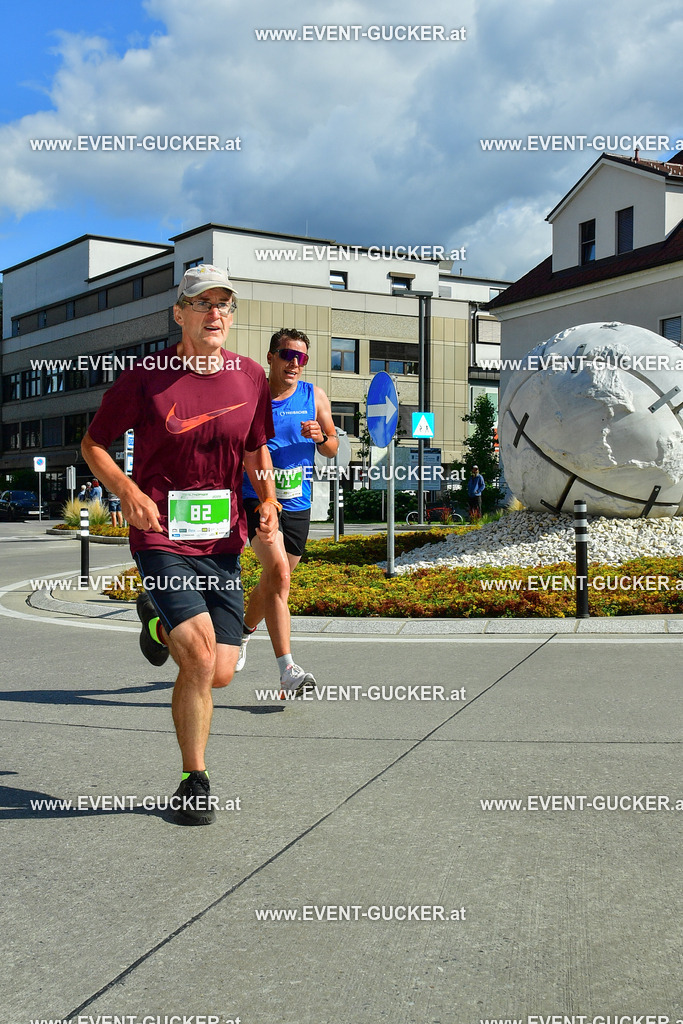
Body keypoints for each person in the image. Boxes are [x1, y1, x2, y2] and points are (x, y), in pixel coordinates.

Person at [81, 263, 279, 826]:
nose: (215, 313)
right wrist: (125, 491)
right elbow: (93, 444)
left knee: (219, 670)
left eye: (224, 304)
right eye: (202, 303)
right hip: (160, 533)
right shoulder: (146, 376)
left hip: (221, 540)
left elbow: (254, 450)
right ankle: (195, 780)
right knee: (194, 655)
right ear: (180, 313)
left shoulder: (249, 377)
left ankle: (156, 622)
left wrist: (266, 501)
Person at [240, 328, 338, 693]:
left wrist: (321, 437)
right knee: (280, 574)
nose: (294, 363)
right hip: (257, 497)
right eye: (287, 355)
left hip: (299, 502)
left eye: (302, 358)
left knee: (273, 580)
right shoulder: (251, 397)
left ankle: (243, 630)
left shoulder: (314, 395)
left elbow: (332, 446)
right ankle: (288, 670)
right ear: (271, 357)